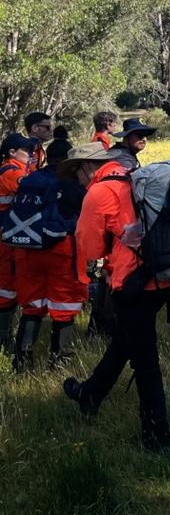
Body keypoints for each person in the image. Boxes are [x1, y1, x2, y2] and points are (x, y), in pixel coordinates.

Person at [61, 145, 170, 452]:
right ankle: (90, 394)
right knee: (126, 339)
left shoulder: (99, 192)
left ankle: (156, 437)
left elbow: (90, 247)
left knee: (145, 361)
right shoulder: (137, 179)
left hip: (132, 283)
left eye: (77, 173)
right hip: (164, 276)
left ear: (87, 167)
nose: (78, 180)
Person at [10, 136, 87, 372]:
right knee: (64, 305)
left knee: (32, 305)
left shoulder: (31, 178)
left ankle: (21, 362)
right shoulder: (70, 182)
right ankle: (59, 362)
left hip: (28, 247)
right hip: (61, 248)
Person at [0, 133, 33, 352]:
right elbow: (29, 187)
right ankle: (4, 340)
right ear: (12, 152)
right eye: (26, 151)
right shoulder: (11, 172)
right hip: (4, 237)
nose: (30, 155)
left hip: (8, 235)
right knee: (5, 287)